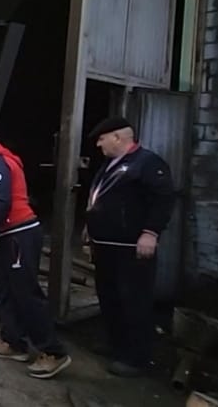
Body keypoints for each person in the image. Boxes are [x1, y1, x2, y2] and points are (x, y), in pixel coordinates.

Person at [0, 123, 72, 379]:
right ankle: (13, 341)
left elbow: (2, 201)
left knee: (25, 293)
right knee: (6, 289)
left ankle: (53, 352)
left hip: (16, 236)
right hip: (7, 236)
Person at [83, 116, 175, 377]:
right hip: (106, 245)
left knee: (133, 299)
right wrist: (90, 226)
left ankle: (136, 357)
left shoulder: (148, 163)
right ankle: (116, 344)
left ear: (117, 137)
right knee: (109, 297)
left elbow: (163, 199)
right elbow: (99, 197)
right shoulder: (110, 164)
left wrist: (150, 232)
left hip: (130, 247)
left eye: (102, 139)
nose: (98, 145)